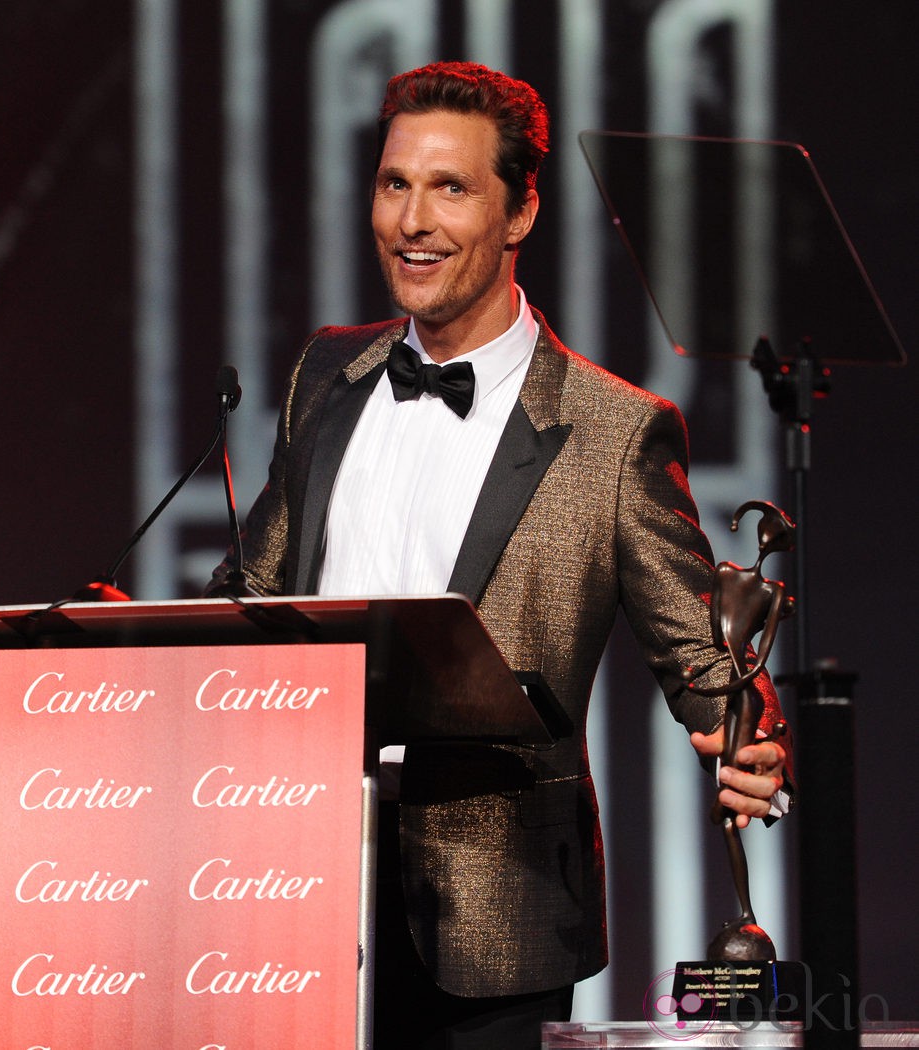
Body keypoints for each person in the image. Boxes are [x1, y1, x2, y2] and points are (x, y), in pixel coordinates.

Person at [208, 61, 790, 1049]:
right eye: (394, 184)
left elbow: (705, 662)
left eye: (449, 187)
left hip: (497, 917)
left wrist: (749, 737)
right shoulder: (326, 375)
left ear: (518, 211)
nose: (410, 221)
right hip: (294, 880)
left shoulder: (612, 432)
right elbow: (256, 593)